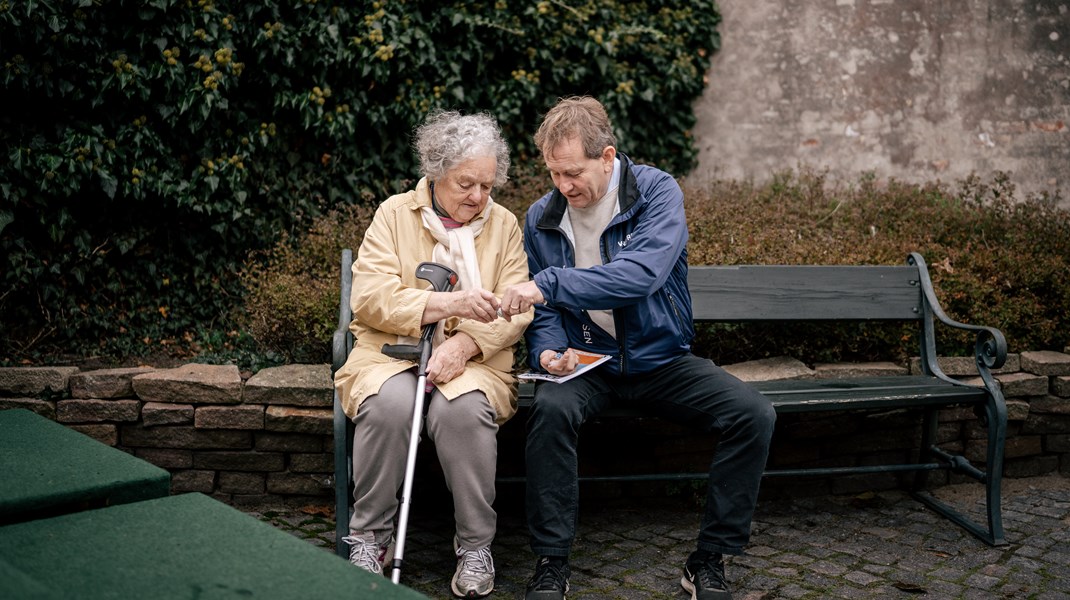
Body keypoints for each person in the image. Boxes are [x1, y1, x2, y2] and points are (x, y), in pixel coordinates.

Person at [499, 96, 776, 600]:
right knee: (550, 411)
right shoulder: (542, 216)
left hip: (659, 359)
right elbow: (546, 314)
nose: (563, 186)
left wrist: (551, 283)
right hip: (590, 365)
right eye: (554, 174)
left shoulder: (656, 192)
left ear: (607, 157)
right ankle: (551, 562)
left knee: (753, 414)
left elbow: (640, 276)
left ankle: (709, 559)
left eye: (573, 172)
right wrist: (547, 353)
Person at [334, 110, 532, 599]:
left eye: (487, 185)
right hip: (389, 353)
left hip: (477, 362)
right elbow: (371, 297)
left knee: (463, 410)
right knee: (390, 404)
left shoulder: (504, 225)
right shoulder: (394, 214)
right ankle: (368, 539)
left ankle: (475, 547)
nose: (478, 197)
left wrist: (465, 343)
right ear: (437, 172)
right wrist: (446, 304)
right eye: (467, 183)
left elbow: (516, 306)